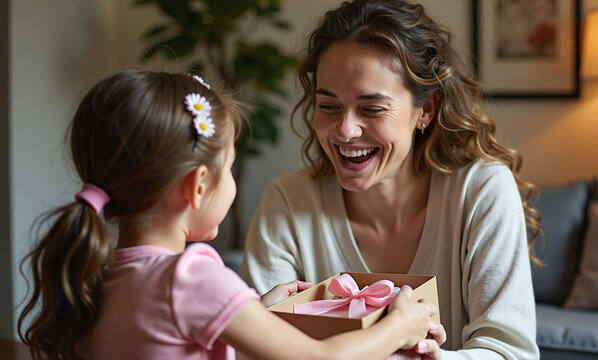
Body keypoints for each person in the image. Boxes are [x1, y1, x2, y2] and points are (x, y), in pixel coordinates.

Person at [17, 69, 444, 360]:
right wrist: (400, 327)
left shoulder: (97, 272)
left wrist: (255, 311)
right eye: (231, 168)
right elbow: (320, 358)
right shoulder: (190, 277)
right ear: (198, 186)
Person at [240, 0, 541, 359]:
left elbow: (511, 353)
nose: (345, 131)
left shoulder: (482, 191)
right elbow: (253, 351)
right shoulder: (287, 202)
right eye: (328, 106)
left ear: (426, 108)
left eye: (372, 108)